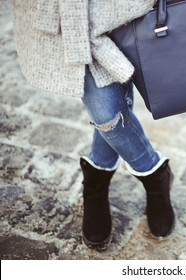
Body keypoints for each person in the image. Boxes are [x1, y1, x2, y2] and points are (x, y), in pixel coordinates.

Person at [10, 0, 174, 251]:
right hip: (70, 14)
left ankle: (96, 181)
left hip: (123, 7)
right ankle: (154, 175)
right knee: (108, 116)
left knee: (116, 107)